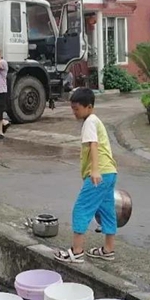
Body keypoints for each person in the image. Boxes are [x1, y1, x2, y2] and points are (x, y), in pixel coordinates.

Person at [55, 87, 117, 263]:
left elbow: (93, 145)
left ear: (89, 107)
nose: (74, 113)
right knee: (107, 211)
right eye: (73, 109)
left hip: (99, 174)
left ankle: (77, 251)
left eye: (77, 109)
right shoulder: (95, 120)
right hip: (110, 172)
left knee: (81, 209)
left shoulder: (90, 121)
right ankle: (108, 249)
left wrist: (95, 170)